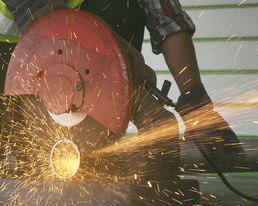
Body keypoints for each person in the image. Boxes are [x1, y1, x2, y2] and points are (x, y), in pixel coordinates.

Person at [0, 0, 244, 168]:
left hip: (69, 54)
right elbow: (41, 18)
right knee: (15, 161)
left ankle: (95, 141)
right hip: (10, 49)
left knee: (122, 6)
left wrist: (195, 100)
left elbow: (169, 22)